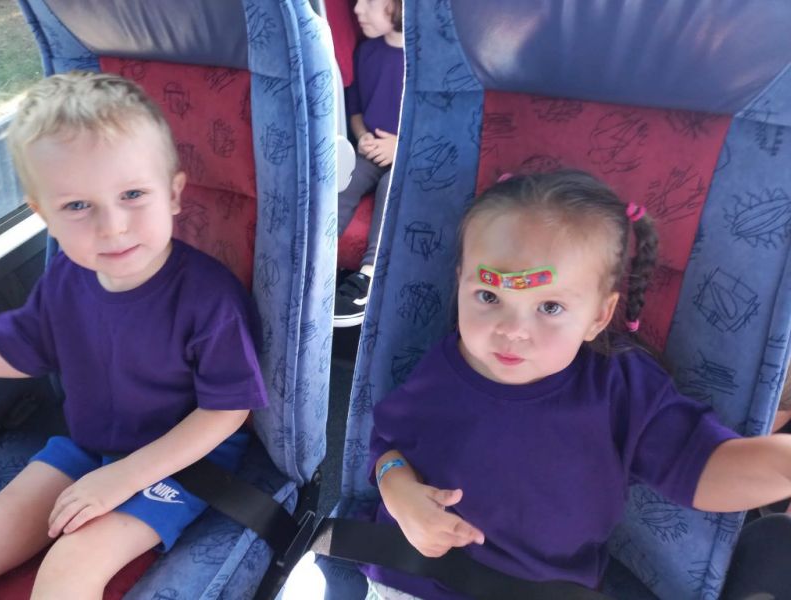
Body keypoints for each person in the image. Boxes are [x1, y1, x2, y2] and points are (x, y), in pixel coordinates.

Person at [364, 170, 791, 599]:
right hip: (411, 579)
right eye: (489, 296)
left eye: (550, 307)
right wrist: (400, 496)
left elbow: (699, 465)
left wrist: (781, 464)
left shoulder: (620, 389)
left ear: (599, 317)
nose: (512, 330)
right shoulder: (447, 367)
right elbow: (387, 446)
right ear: (460, 283)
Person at [0, 71, 268, 598]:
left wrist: (124, 477)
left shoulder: (209, 299)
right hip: (86, 444)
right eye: (77, 206)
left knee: (69, 568)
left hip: (181, 463)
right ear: (43, 215)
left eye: (133, 194)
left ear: (174, 195)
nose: (112, 226)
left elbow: (228, 410)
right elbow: (24, 344)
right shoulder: (65, 279)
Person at [334, 0, 404, 327]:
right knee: (341, 180)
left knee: (391, 187)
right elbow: (356, 109)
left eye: (371, 2)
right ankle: (317, 257)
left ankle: (369, 275)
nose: (358, 9)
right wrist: (361, 136)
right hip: (371, 150)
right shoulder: (366, 52)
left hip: (411, 155)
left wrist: (402, 148)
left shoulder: (430, 60)